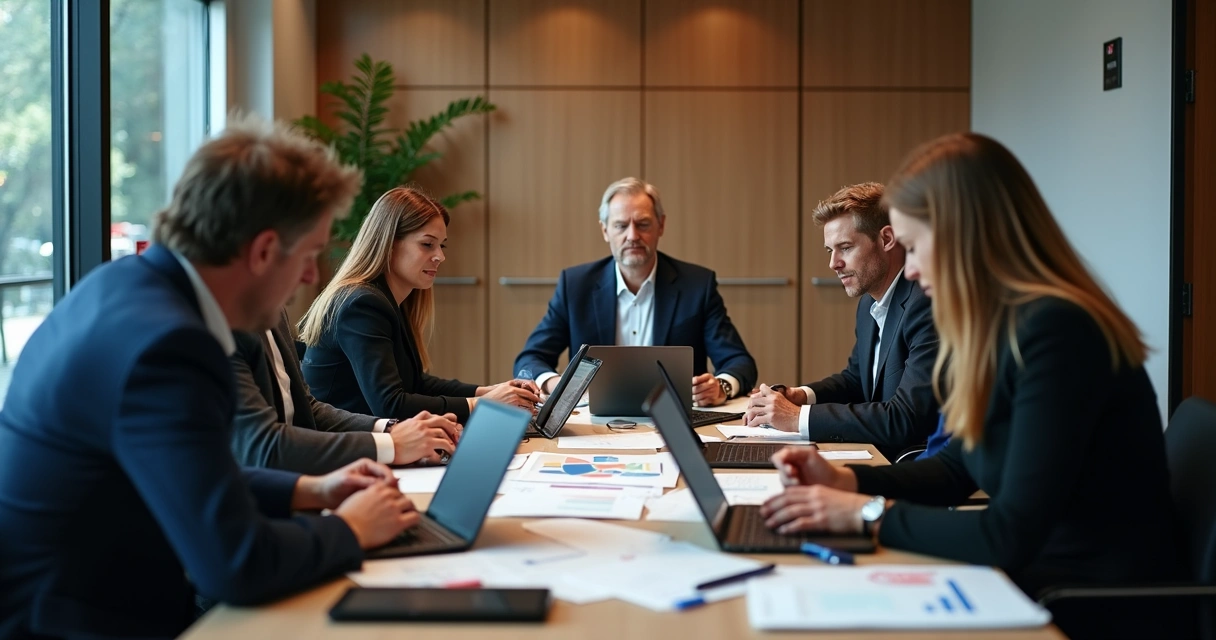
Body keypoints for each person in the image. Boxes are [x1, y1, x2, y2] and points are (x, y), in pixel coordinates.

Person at [0, 115, 421, 639]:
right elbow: (236, 564)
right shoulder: (169, 347)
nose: (313, 277)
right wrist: (350, 528)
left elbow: (189, 472)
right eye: (310, 254)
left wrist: (313, 489)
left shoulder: (125, 290)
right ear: (265, 251)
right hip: (87, 623)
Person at [759, 133, 1183, 606]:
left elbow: (1008, 533)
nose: (912, 271)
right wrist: (849, 483)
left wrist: (864, 513)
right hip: (1030, 578)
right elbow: (954, 469)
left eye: (916, 248)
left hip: (1082, 599)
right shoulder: (996, 328)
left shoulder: (1058, 332)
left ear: (968, 235)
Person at [299, 187, 540, 423]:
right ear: (389, 243)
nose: (440, 256)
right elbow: (390, 404)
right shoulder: (362, 304)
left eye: (441, 245)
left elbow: (416, 384)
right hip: (343, 449)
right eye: (427, 244)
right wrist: (484, 404)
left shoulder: (390, 299)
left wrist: (487, 392)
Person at [513, 177, 757, 406]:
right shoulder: (575, 285)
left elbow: (740, 363)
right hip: (592, 422)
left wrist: (721, 387)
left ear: (661, 225)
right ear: (605, 230)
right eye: (620, 225)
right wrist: (558, 385)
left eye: (643, 224)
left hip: (676, 419)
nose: (632, 236)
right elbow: (529, 359)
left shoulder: (697, 285)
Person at [743, 183, 939, 460]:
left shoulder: (925, 303)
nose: (833, 263)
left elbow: (904, 418)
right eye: (829, 251)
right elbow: (857, 381)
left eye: (845, 248)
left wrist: (798, 417)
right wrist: (801, 395)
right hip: (878, 451)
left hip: (915, 462)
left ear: (886, 239)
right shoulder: (869, 301)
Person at [230, 308, 463, 475]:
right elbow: (264, 447)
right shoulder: (226, 325)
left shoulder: (274, 311)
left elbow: (308, 408)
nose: (311, 274)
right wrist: (391, 445)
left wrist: (391, 429)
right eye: (307, 256)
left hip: (302, 481)